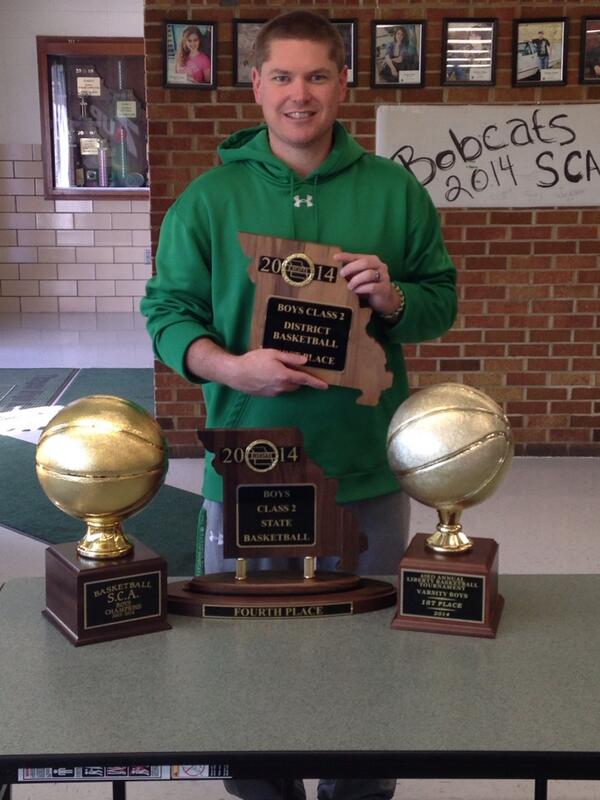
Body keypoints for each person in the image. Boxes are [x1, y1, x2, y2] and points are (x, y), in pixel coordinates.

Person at [142, 10, 456, 800]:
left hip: (364, 468)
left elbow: (440, 299)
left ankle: (358, 789)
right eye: (282, 76)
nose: (299, 94)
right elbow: (167, 315)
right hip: (247, 468)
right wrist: (231, 368)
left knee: (370, 662)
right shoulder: (208, 200)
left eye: (317, 75)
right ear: (256, 85)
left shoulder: (394, 191)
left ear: (344, 82)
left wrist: (393, 299)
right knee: (245, 665)